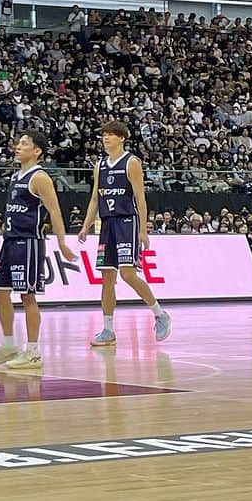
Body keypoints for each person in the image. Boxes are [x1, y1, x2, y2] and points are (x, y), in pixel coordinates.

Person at [0, 131, 77, 372]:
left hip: (29, 242)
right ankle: (8, 345)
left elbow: (55, 211)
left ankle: (33, 352)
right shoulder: (16, 175)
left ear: (37, 151)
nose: (18, 146)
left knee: (27, 296)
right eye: (19, 143)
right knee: (0, 292)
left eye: (25, 144)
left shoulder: (40, 177)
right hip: (10, 241)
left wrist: (62, 243)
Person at [78, 120, 171, 346]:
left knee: (128, 274)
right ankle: (108, 329)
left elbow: (140, 197)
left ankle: (160, 314)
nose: (106, 138)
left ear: (122, 137)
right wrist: (86, 225)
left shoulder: (132, 162)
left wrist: (143, 229)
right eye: (104, 135)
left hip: (127, 221)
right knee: (107, 277)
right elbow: (94, 199)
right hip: (107, 223)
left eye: (110, 134)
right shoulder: (100, 164)